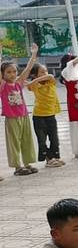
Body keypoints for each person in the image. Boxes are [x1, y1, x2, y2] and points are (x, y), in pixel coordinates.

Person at [1, 43, 39, 176]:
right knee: (14, 142)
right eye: (8, 72)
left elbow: (28, 69)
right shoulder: (3, 86)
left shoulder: (18, 83)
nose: (12, 74)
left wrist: (33, 55)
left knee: (26, 140)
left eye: (14, 71)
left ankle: (27, 163)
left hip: (24, 115)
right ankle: (17, 167)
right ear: (2, 74)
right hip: (11, 118)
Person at [26, 63, 64, 168]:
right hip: (39, 117)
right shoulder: (34, 85)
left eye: (46, 71)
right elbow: (26, 85)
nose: (45, 73)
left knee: (54, 139)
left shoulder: (50, 81)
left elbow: (50, 76)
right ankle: (49, 159)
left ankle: (55, 157)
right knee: (42, 141)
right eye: (42, 72)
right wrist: (33, 81)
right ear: (34, 75)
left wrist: (34, 80)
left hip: (51, 115)